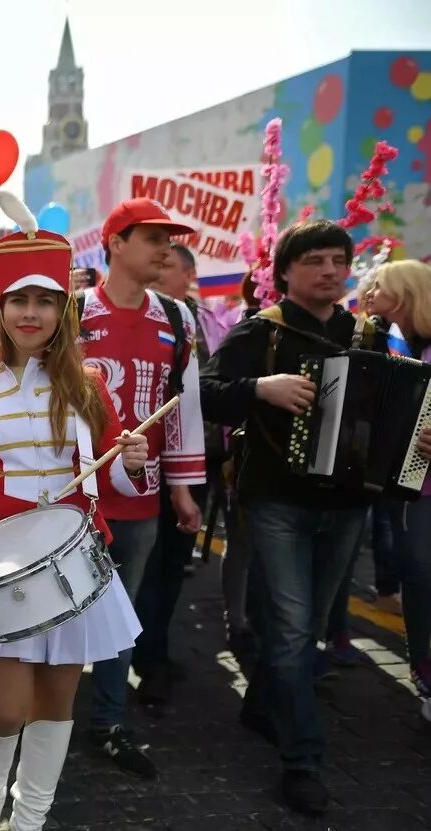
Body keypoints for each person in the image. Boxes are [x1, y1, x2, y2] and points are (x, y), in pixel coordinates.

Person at [0, 211, 148, 831]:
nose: (31, 314)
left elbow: (111, 477)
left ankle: (30, 820)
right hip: (0, 558)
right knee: (8, 707)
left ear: (62, 312)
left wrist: (131, 460)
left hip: (73, 554)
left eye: (46, 301)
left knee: (56, 702)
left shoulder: (90, 384)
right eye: (20, 301)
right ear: (0, 307)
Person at [200, 220, 392, 816]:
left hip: (347, 502)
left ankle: (261, 706)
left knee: (304, 628)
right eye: (315, 261)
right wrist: (260, 387)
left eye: (339, 261)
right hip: (276, 497)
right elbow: (204, 390)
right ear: (284, 271)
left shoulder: (368, 333)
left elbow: (390, 405)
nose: (330, 271)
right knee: (287, 630)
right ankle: (302, 761)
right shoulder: (262, 331)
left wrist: (413, 438)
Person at [76, 199, 206, 779]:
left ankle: (106, 722)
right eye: (153, 237)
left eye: (169, 239)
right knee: (56, 610)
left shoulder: (177, 319)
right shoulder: (69, 313)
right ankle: (38, 714)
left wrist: (182, 486)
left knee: (119, 612)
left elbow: (183, 408)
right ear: (115, 243)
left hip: (140, 499)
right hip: (70, 501)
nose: (165, 249)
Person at [132, 241, 215, 704]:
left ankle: (152, 656)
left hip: (180, 466)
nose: (184, 278)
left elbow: (192, 400)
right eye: (165, 262)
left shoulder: (188, 320)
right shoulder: (93, 316)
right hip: (126, 472)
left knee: (165, 570)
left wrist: (184, 481)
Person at [364, 259, 431, 698]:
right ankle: (424, 669)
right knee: (420, 576)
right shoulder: (394, 345)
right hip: (415, 488)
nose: (370, 293)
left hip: (422, 485)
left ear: (403, 293)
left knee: (422, 575)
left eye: (378, 286)